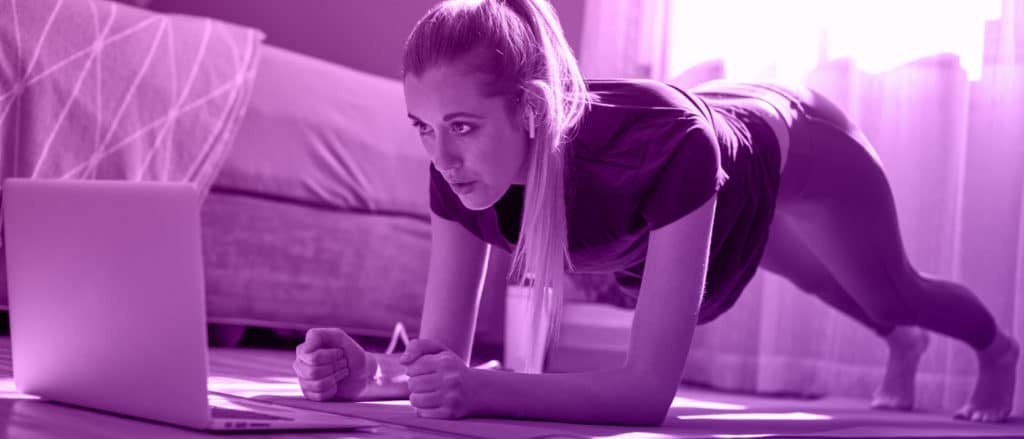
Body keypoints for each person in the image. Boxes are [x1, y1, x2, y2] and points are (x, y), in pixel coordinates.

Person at [291, 0, 1019, 425]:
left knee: (891, 291)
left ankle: (995, 349)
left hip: (795, 142)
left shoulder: (663, 150)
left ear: (533, 111)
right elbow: (438, 357)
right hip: (718, 185)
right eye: (423, 127)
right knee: (821, 283)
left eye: (464, 126)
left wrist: (483, 384)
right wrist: (369, 374)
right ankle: (903, 347)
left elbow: (645, 395)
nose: (442, 159)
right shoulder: (456, 175)